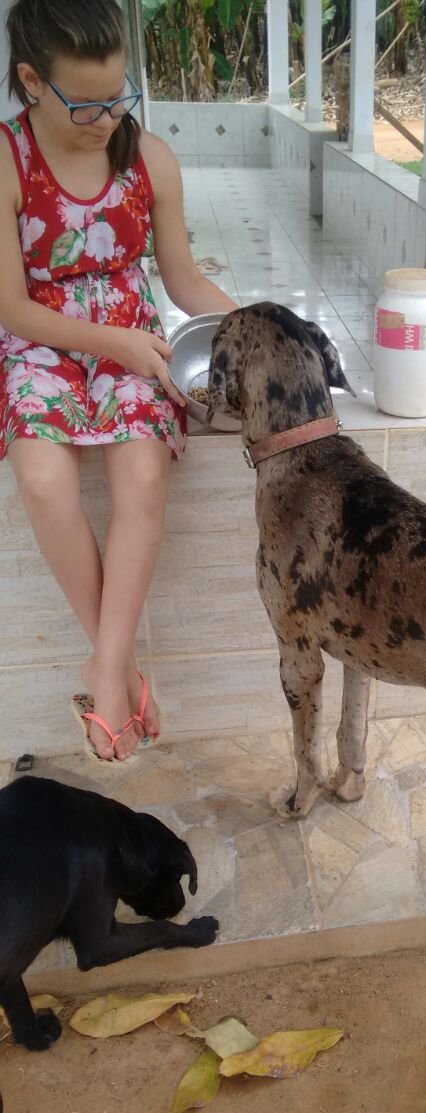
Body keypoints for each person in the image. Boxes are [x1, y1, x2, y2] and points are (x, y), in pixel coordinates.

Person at [0, 0, 237, 763]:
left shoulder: (149, 159)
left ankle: (106, 668)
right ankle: (122, 668)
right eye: (86, 104)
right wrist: (115, 345)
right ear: (32, 81)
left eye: (117, 98)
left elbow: (184, 280)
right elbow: (10, 307)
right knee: (42, 479)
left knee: (141, 480)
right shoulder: (5, 160)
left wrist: (264, 325)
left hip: (132, 342)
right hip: (43, 341)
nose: (105, 119)